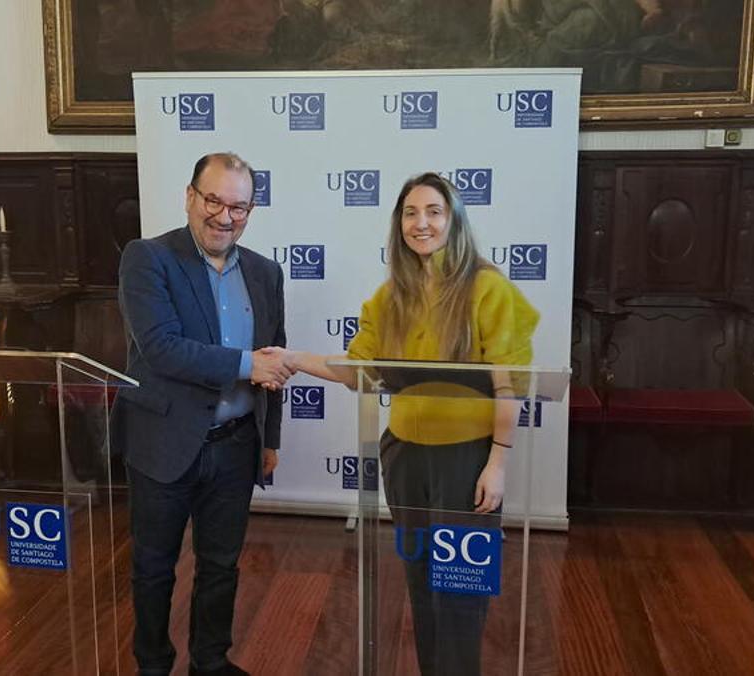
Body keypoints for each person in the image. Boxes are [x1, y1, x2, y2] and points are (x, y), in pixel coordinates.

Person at [267, 172, 539, 675]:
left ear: (453, 220)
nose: (422, 223)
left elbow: (511, 385)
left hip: (467, 459)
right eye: (411, 213)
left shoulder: (488, 288)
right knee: (419, 581)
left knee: (458, 588)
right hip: (405, 457)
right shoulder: (391, 295)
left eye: (434, 211)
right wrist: (293, 357)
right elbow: (356, 372)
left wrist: (497, 462)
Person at [112, 152, 293, 676]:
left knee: (220, 567)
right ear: (190, 197)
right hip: (163, 443)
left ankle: (210, 662)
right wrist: (246, 366)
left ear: (250, 210)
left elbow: (273, 360)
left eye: (239, 206)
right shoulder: (147, 258)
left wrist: (270, 439)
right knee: (152, 567)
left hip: (237, 445)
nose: (224, 216)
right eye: (213, 200)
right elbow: (161, 348)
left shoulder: (265, 272)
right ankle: (152, 665)